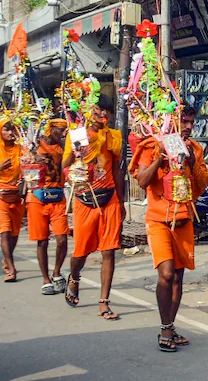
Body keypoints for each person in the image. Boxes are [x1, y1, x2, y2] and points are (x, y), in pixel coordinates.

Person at [130, 104, 208, 352]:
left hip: (184, 219)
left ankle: (170, 324)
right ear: (171, 122)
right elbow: (143, 181)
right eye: (183, 121)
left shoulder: (194, 148)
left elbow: (202, 185)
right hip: (158, 220)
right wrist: (160, 159)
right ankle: (165, 327)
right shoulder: (151, 146)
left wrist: (193, 161)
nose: (187, 127)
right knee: (165, 274)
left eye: (191, 122)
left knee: (178, 277)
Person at [63, 97, 125, 320]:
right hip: (84, 200)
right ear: (90, 111)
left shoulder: (112, 136)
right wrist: (75, 150)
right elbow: (65, 166)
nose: (102, 115)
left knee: (108, 251)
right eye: (98, 110)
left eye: (106, 111)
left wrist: (122, 200)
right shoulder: (77, 134)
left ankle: (104, 302)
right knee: (80, 251)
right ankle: (74, 277)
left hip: (109, 199)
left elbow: (117, 170)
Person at [28, 118, 69, 294]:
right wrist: (33, 160)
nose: (62, 133)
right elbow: (27, 169)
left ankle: (57, 272)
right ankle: (46, 279)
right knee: (42, 241)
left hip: (58, 197)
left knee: (62, 239)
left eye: (64, 130)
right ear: (50, 129)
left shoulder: (65, 147)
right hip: (38, 197)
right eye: (59, 129)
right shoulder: (37, 144)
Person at [0, 117, 23, 283]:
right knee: (5, 231)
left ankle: (7, 259)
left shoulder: (21, 149)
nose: (10, 133)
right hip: (0, 194)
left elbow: (29, 168)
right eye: (6, 129)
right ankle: (11, 268)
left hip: (17, 195)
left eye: (12, 129)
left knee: (14, 234)